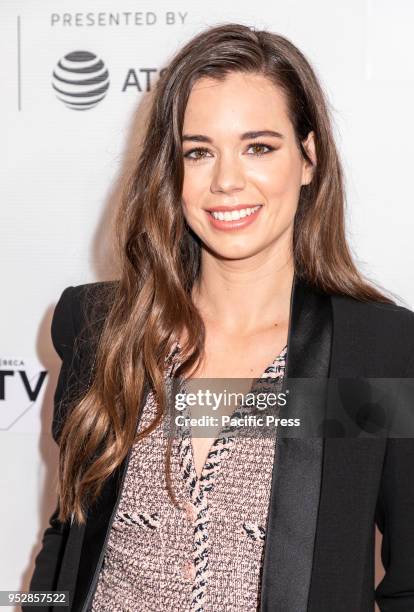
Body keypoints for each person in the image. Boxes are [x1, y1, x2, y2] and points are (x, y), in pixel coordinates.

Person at [25, 22, 414, 612]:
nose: (227, 181)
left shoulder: (377, 351)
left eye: (259, 146)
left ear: (308, 158)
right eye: (199, 152)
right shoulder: (103, 328)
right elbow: (68, 541)